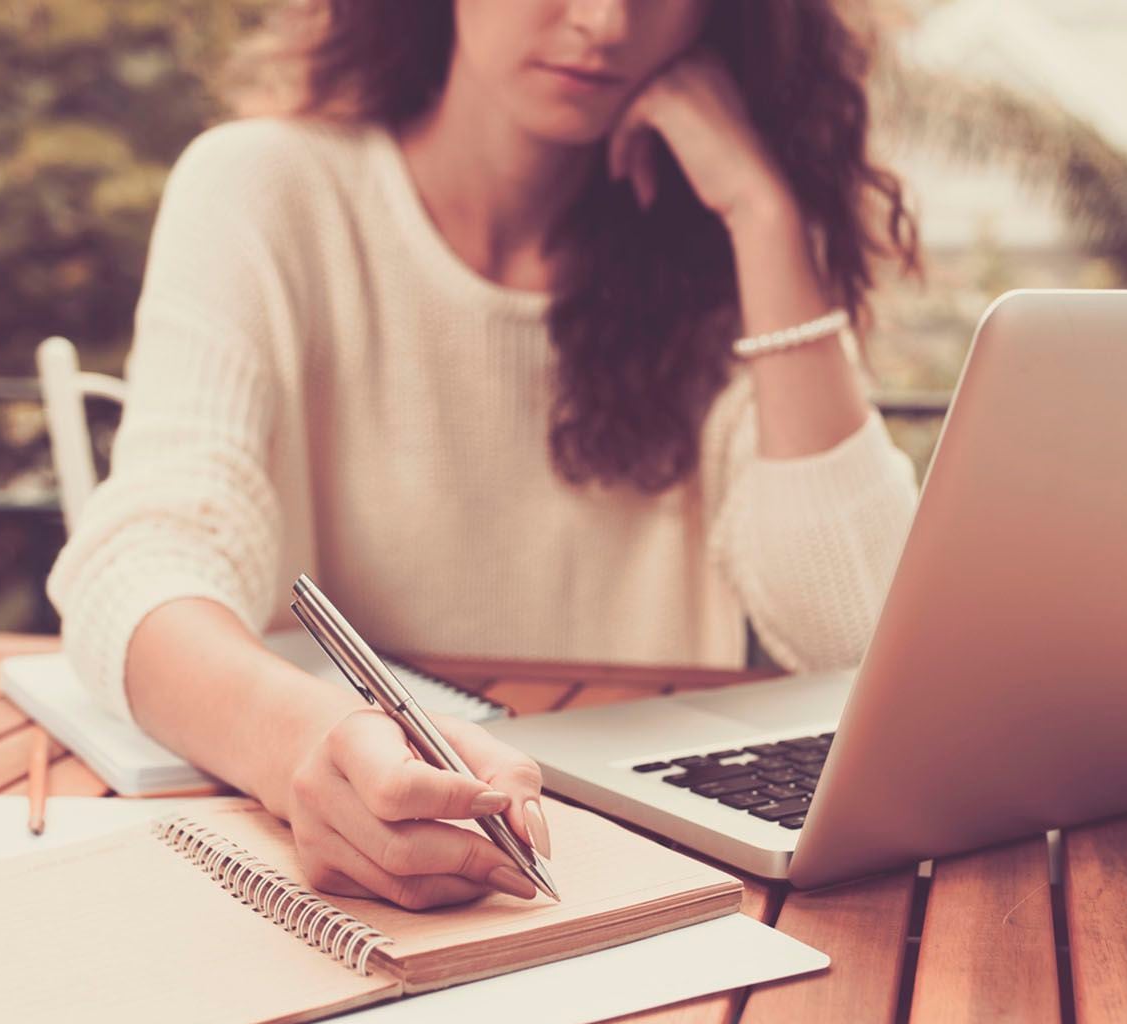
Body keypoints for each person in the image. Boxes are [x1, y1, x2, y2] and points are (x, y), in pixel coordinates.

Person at [47, 0, 920, 910]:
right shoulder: (264, 187)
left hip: (634, 867)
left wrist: (763, 212)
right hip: (338, 855)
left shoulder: (722, 246)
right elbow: (141, 566)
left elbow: (864, 633)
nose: (605, 21)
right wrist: (303, 741)